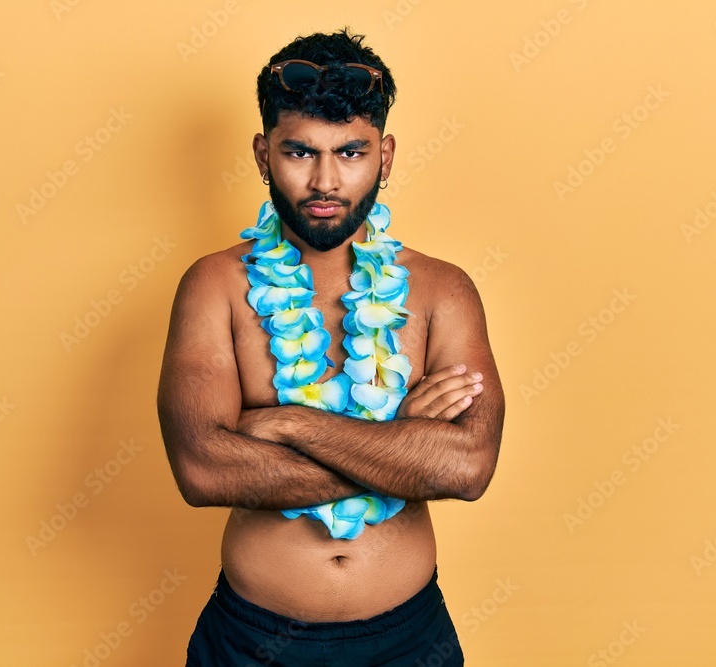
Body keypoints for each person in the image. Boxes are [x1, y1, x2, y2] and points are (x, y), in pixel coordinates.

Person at [157, 27, 504, 666]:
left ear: (386, 155)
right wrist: (401, 445)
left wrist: (288, 423)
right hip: (251, 644)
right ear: (264, 155)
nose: (325, 181)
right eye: (299, 152)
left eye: (350, 152)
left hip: (408, 642)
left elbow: (467, 468)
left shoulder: (442, 291)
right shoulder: (214, 287)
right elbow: (203, 470)